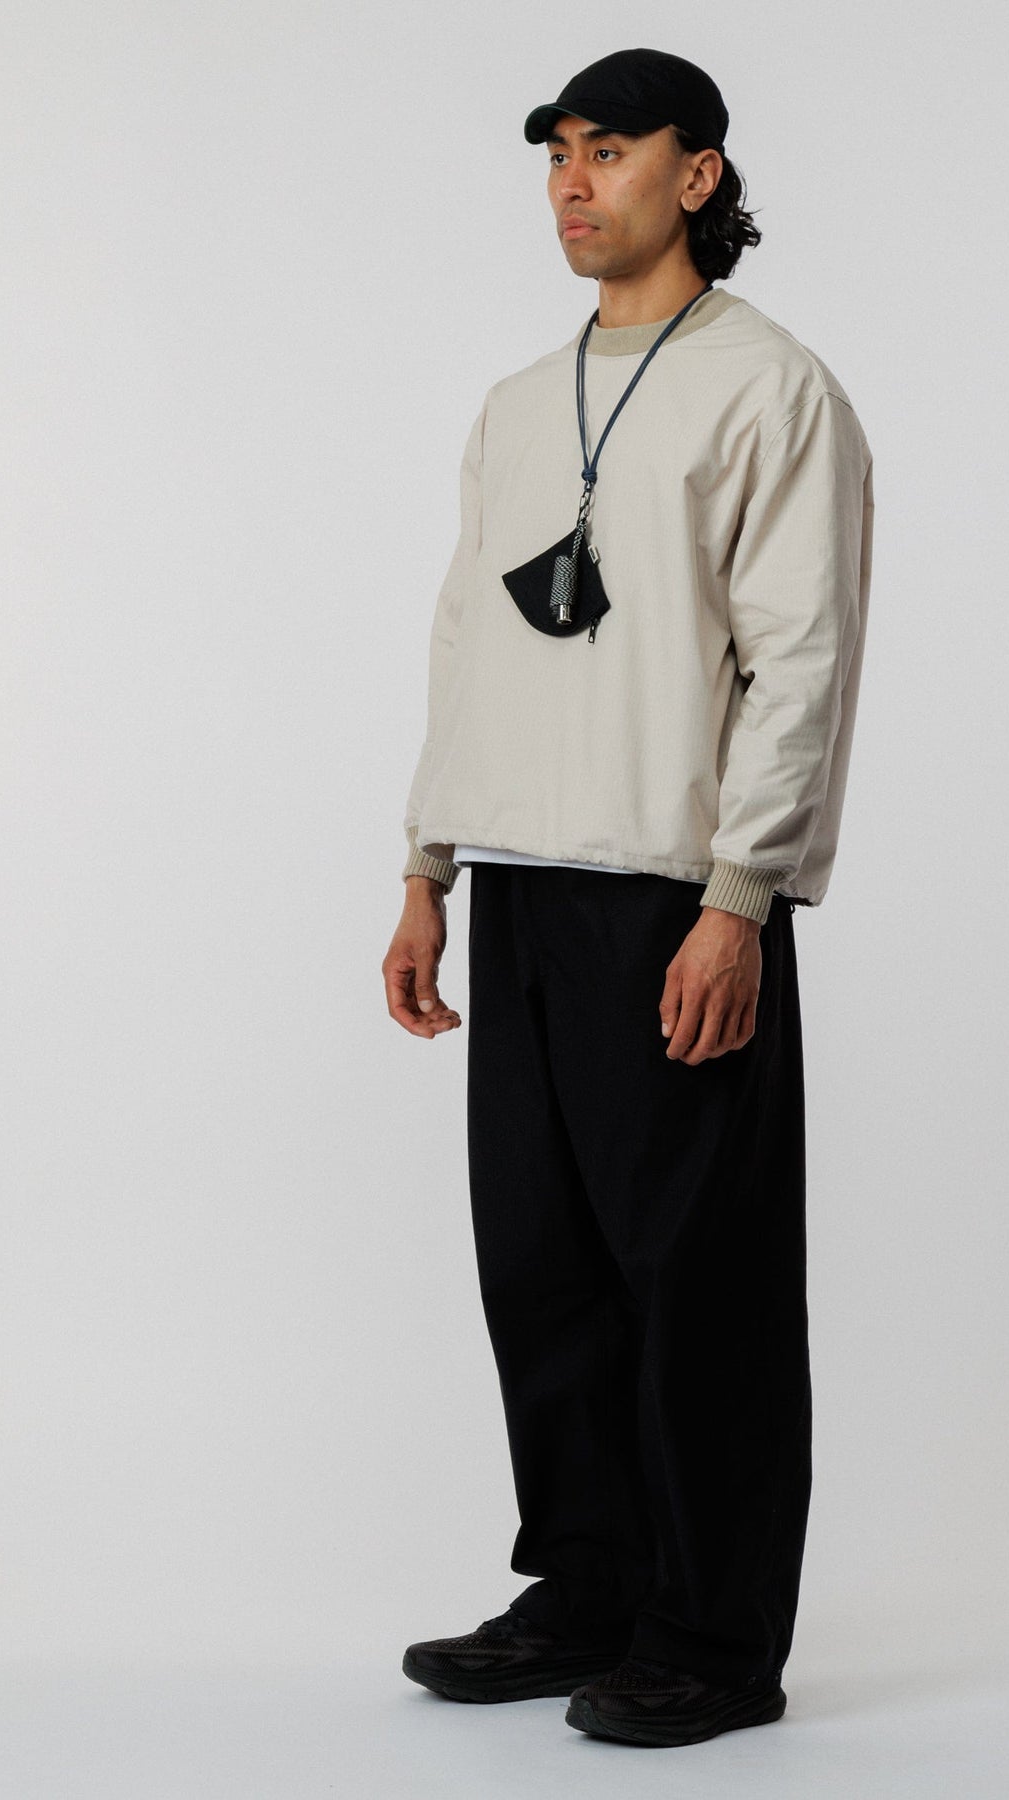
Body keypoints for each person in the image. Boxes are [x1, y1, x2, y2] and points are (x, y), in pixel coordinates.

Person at [383, 46, 874, 1749]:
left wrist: (743, 895)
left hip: (674, 891)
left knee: (700, 1282)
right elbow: (465, 635)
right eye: (558, 156)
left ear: (700, 173)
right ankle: (589, 1586)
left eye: (610, 149)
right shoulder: (521, 403)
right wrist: (427, 866)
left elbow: (802, 657)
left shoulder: (772, 390)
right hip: (520, 883)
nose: (574, 183)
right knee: (543, 1265)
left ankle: (716, 1639)